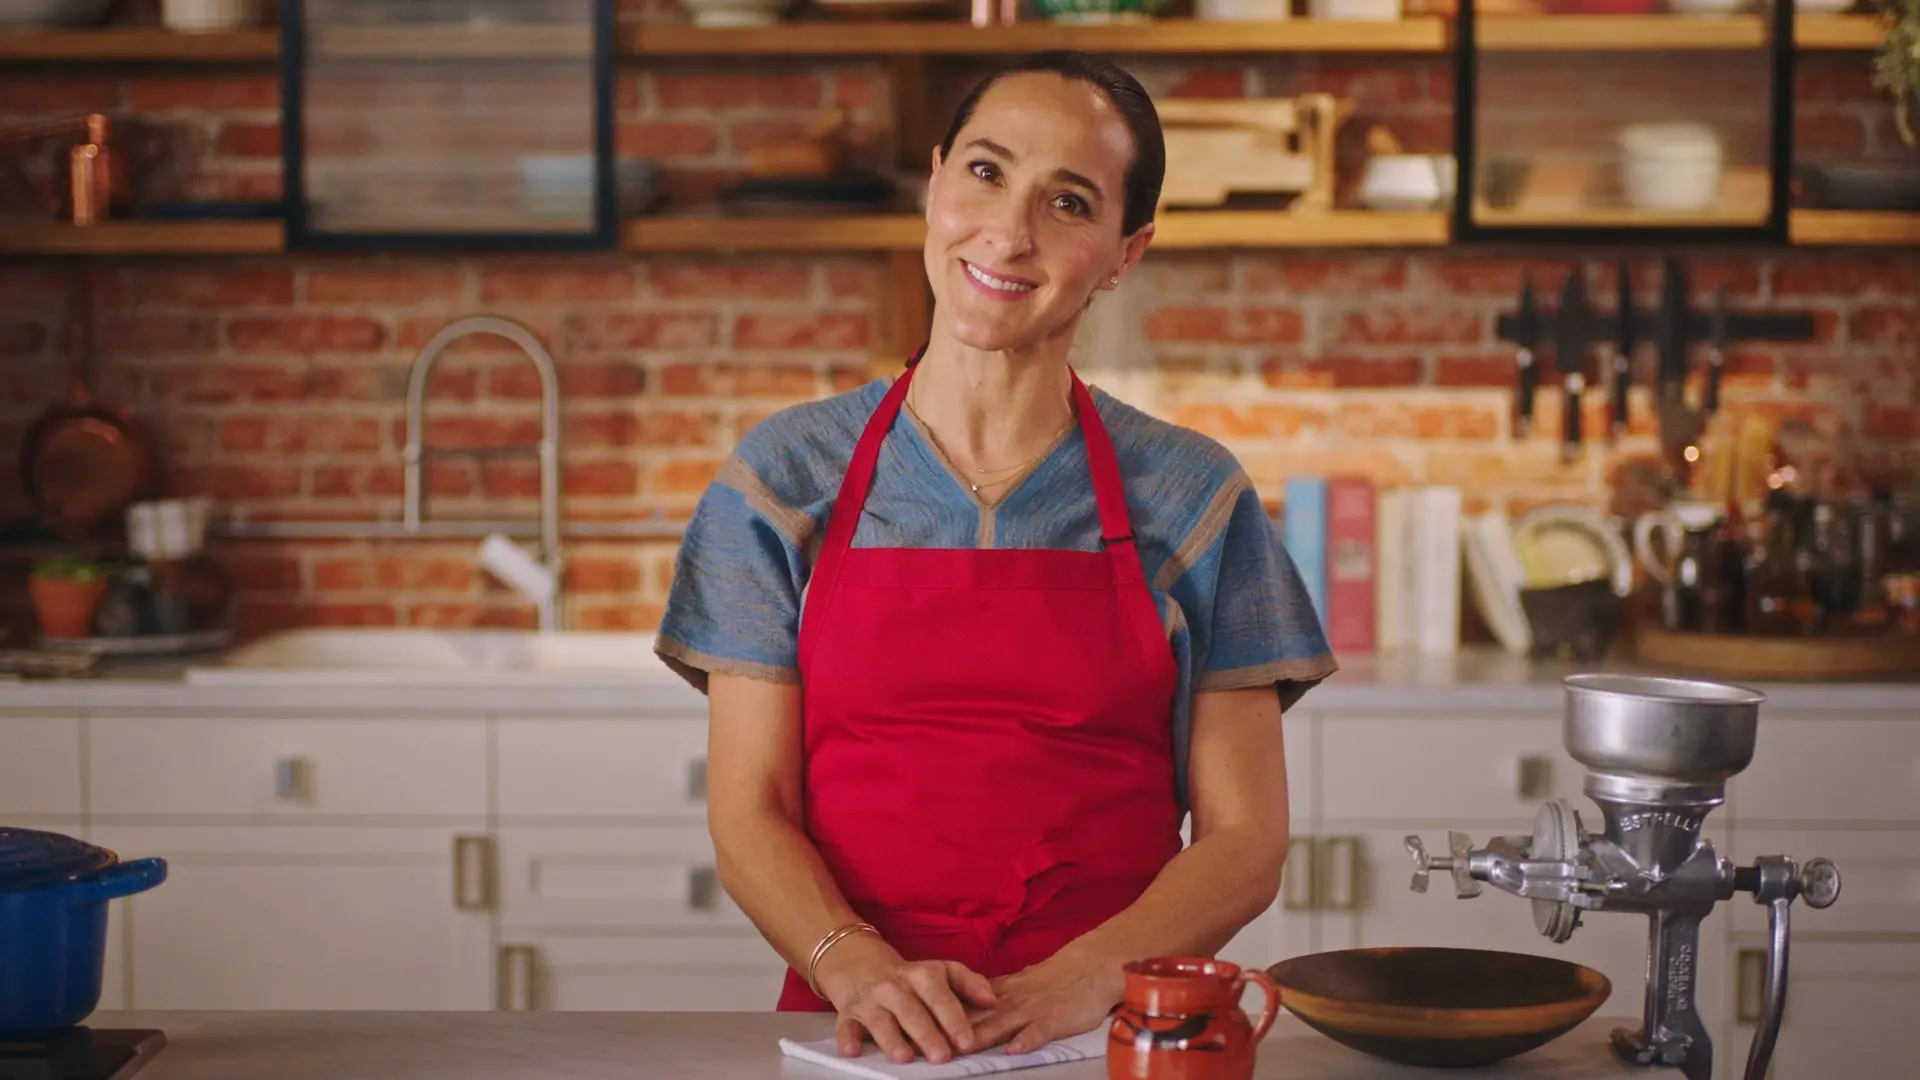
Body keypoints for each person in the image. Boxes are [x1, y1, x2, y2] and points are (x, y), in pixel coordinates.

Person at [654, 49, 1336, 1067]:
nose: (1009, 233)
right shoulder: (782, 480)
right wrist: (858, 968)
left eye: (1068, 203)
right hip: (861, 1029)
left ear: (1125, 252)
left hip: (1108, 1030)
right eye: (985, 172)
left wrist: (1079, 983)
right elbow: (751, 811)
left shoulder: (1194, 496)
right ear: (934, 181)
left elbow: (1245, 842)